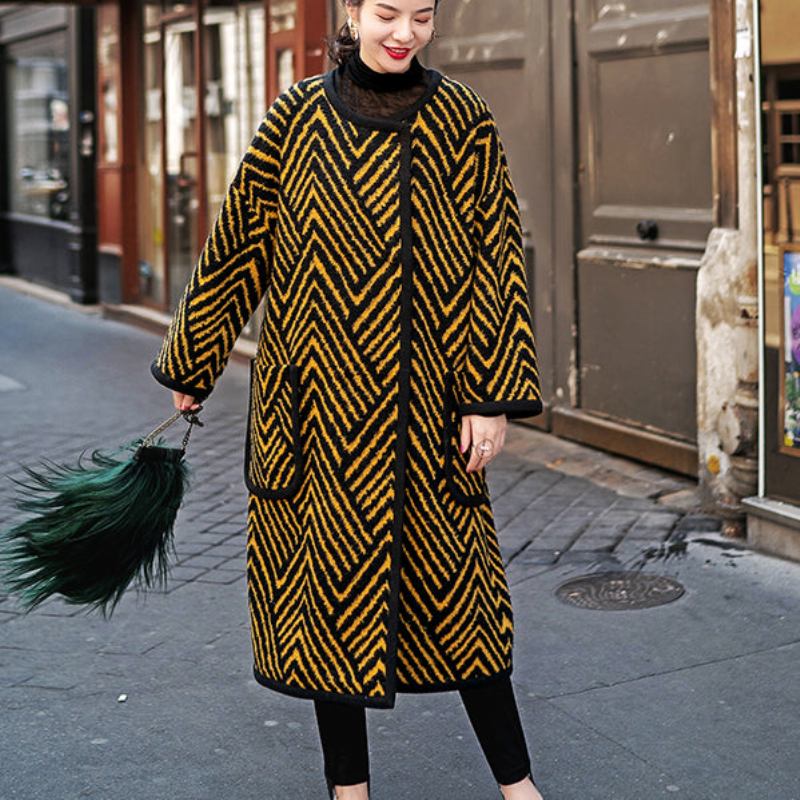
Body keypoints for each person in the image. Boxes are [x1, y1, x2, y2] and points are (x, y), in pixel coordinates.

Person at [152, 2, 544, 799]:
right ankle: (349, 791)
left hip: (429, 411)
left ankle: (518, 786)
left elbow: (493, 255)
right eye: (386, 13)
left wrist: (489, 397)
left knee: (467, 603)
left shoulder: (463, 118)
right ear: (352, 14)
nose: (403, 33)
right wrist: (196, 359)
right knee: (329, 613)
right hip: (315, 415)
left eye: (422, 17)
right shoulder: (295, 118)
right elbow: (238, 244)